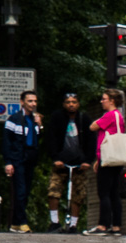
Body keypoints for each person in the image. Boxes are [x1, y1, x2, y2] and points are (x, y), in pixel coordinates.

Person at [46, 93, 93, 233]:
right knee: (53, 190)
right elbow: (51, 138)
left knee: (78, 194)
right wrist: (55, 158)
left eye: (73, 102)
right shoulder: (57, 118)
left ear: (78, 104)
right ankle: (54, 222)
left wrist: (87, 161)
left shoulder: (84, 119)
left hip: (79, 164)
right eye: (68, 102)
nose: (71, 104)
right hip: (61, 162)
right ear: (63, 104)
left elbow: (91, 141)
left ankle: (73, 224)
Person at [84, 89, 125, 236]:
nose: (102, 101)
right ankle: (116, 226)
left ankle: (103, 225)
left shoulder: (110, 115)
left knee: (104, 192)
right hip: (116, 158)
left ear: (112, 101)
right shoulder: (119, 116)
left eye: (104, 99)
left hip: (107, 158)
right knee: (114, 192)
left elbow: (93, 127)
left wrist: (97, 120)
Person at [2, 90, 43, 233]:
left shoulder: (34, 120)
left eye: (35, 101)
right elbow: (7, 142)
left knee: (25, 192)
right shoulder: (13, 119)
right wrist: (8, 162)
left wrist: (40, 125)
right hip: (17, 159)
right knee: (20, 191)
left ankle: (15, 223)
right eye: (30, 101)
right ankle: (23, 222)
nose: (33, 104)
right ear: (22, 102)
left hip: (30, 160)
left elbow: (37, 140)